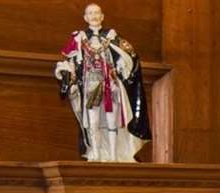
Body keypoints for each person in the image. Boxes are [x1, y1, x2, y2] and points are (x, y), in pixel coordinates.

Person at [54, 4, 151, 162]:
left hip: (111, 86)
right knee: (93, 122)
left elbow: (129, 57)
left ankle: (113, 156)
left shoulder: (112, 37)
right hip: (91, 86)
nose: (93, 16)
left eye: (96, 13)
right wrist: (67, 75)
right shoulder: (79, 39)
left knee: (112, 121)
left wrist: (121, 65)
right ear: (85, 18)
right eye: (90, 13)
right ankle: (97, 154)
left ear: (102, 16)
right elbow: (69, 61)